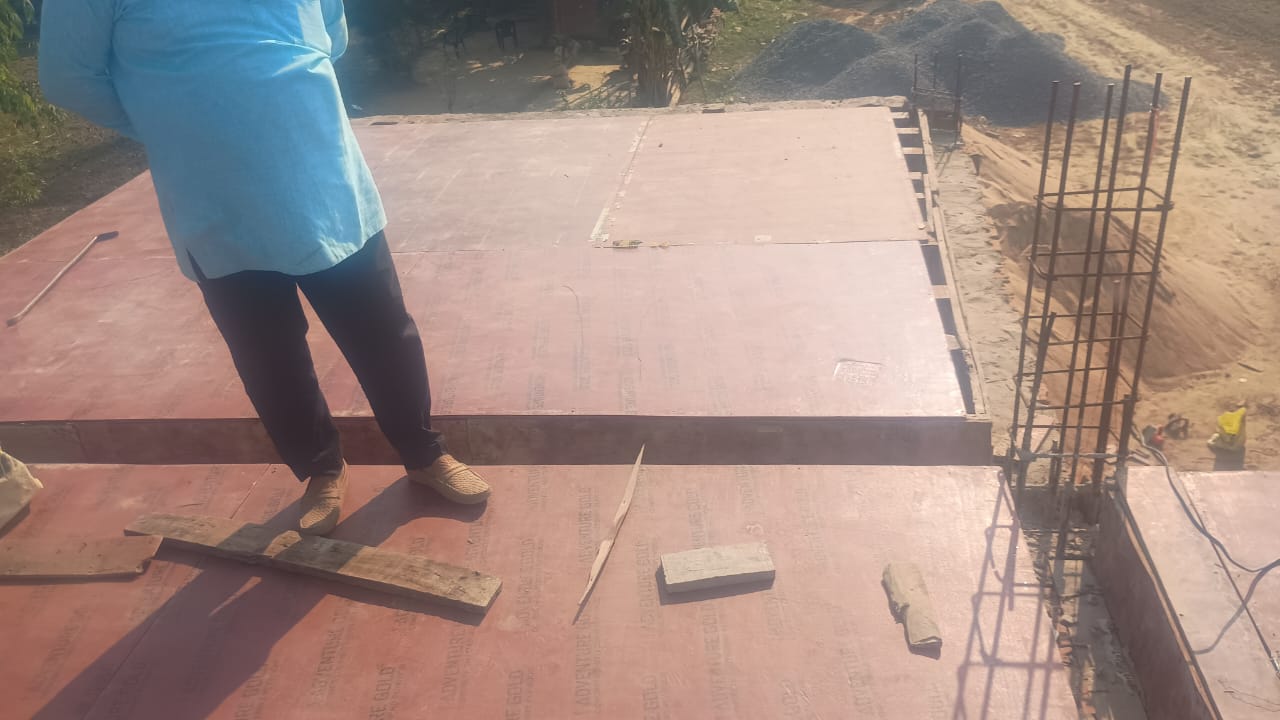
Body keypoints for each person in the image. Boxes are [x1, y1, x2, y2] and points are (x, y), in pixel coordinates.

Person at [38, 0, 490, 536]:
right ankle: (322, 470)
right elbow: (68, 79)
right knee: (268, 354)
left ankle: (424, 453)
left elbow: (329, 35)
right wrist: (173, 121)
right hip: (214, 200)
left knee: (383, 330)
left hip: (323, 178)